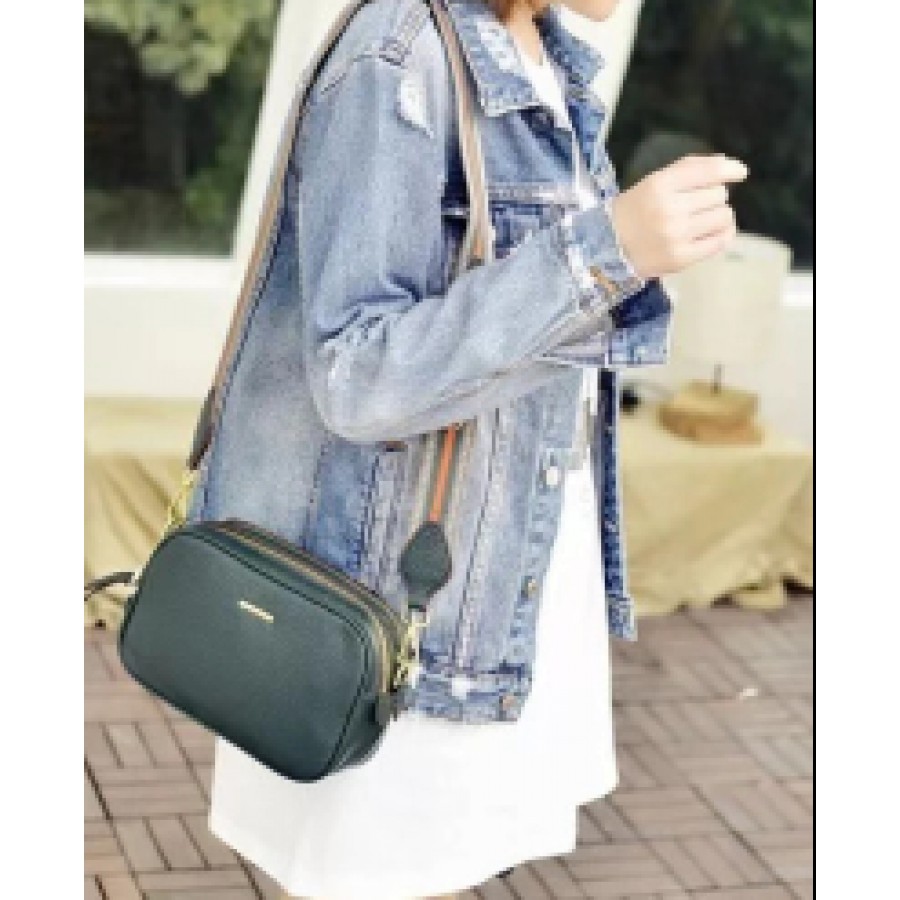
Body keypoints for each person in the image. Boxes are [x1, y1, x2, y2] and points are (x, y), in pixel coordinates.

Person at [184, 0, 747, 897]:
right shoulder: (397, 55)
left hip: (494, 569)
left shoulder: (547, 56)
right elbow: (359, 375)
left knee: (443, 872)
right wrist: (608, 250)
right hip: (394, 596)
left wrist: (618, 252)